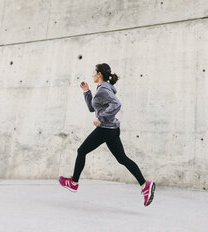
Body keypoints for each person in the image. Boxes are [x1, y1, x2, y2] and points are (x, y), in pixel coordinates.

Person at [58, 63, 155, 207]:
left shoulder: (103, 89)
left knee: (81, 151)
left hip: (105, 129)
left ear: (99, 74)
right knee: (122, 159)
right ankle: (145, 185)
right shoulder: (102, 89)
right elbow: (93, 108)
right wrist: (86, 92)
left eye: (94, 72)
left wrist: (101, 118)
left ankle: (73, 183)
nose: (92, 74)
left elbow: (116, 104)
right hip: (112, 129)